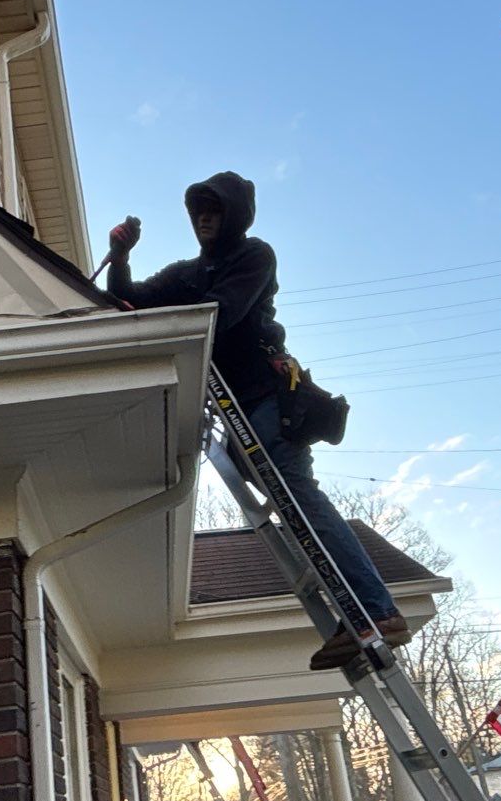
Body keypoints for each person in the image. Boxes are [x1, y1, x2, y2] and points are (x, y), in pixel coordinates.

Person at [104, 171, 409, 669]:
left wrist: (175, 316)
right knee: (289, 511)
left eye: (215, 209)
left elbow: (224, 312)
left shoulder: (253, 256)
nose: (205, 218)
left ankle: (379, 612)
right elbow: (131, 298)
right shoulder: (187, 272)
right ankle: (354, 616)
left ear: (235, 215)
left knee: (299, 498)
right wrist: (121, 256)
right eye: (199, 210)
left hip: (268, 402)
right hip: (236, 412)